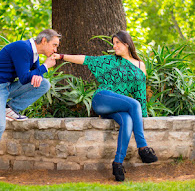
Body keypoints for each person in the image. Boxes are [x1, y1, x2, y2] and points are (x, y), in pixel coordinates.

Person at [52, 30, 158, 182]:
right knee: (133, 104)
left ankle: (118, 164)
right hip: (102, 99)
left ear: (127, 44)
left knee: (127, 120)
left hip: (117, 107)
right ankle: (143, 148)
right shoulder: (110, 61)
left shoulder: (140, 66)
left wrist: (142, 116)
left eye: (117, 43)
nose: (114, 46)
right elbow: (85, 59)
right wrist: (61, 56)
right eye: (113, 43)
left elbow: (140, 95)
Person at [0, 29, 60, 181]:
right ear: (44, 41)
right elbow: (24, 78)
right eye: (54, 45)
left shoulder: (33, 54)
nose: (55, 50)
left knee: (44, 84)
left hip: (7, 87)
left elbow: (32, 77)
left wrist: (38, 74)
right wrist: (45, 66)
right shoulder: (23, 48)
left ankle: (10, 108)